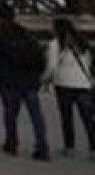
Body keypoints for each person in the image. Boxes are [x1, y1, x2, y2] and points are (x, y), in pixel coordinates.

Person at [0, 2, 50, 161]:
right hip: (30, 80)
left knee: (11, 114)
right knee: (36, 116)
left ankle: (11, 143)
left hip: (10, 80)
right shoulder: (25, 34)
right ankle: (42, 146)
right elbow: (40, 57)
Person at [43, 17, 94, 160]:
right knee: (88, 118)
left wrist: (45, 80)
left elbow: (52, 66)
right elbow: (89, 63)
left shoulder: (55, 44)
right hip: (83, 84)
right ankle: (93, 147)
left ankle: (69, 147)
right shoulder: (82, 43)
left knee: (67, 117)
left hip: (64, 84)